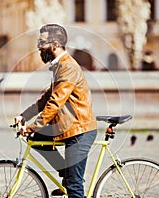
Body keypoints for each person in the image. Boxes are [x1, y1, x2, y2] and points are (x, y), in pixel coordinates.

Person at [14, 24, 97, 198]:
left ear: (55, 44)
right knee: (39, 139)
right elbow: (45, 99)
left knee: (74, 187)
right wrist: (24, 116)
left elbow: (55, 103)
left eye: (42, 42)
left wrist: (31, 127)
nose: (38, 46)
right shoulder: (59, 66)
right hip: (67, 126)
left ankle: (72, 178)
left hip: (79, 130)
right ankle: (68, 175)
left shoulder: (68, 67)